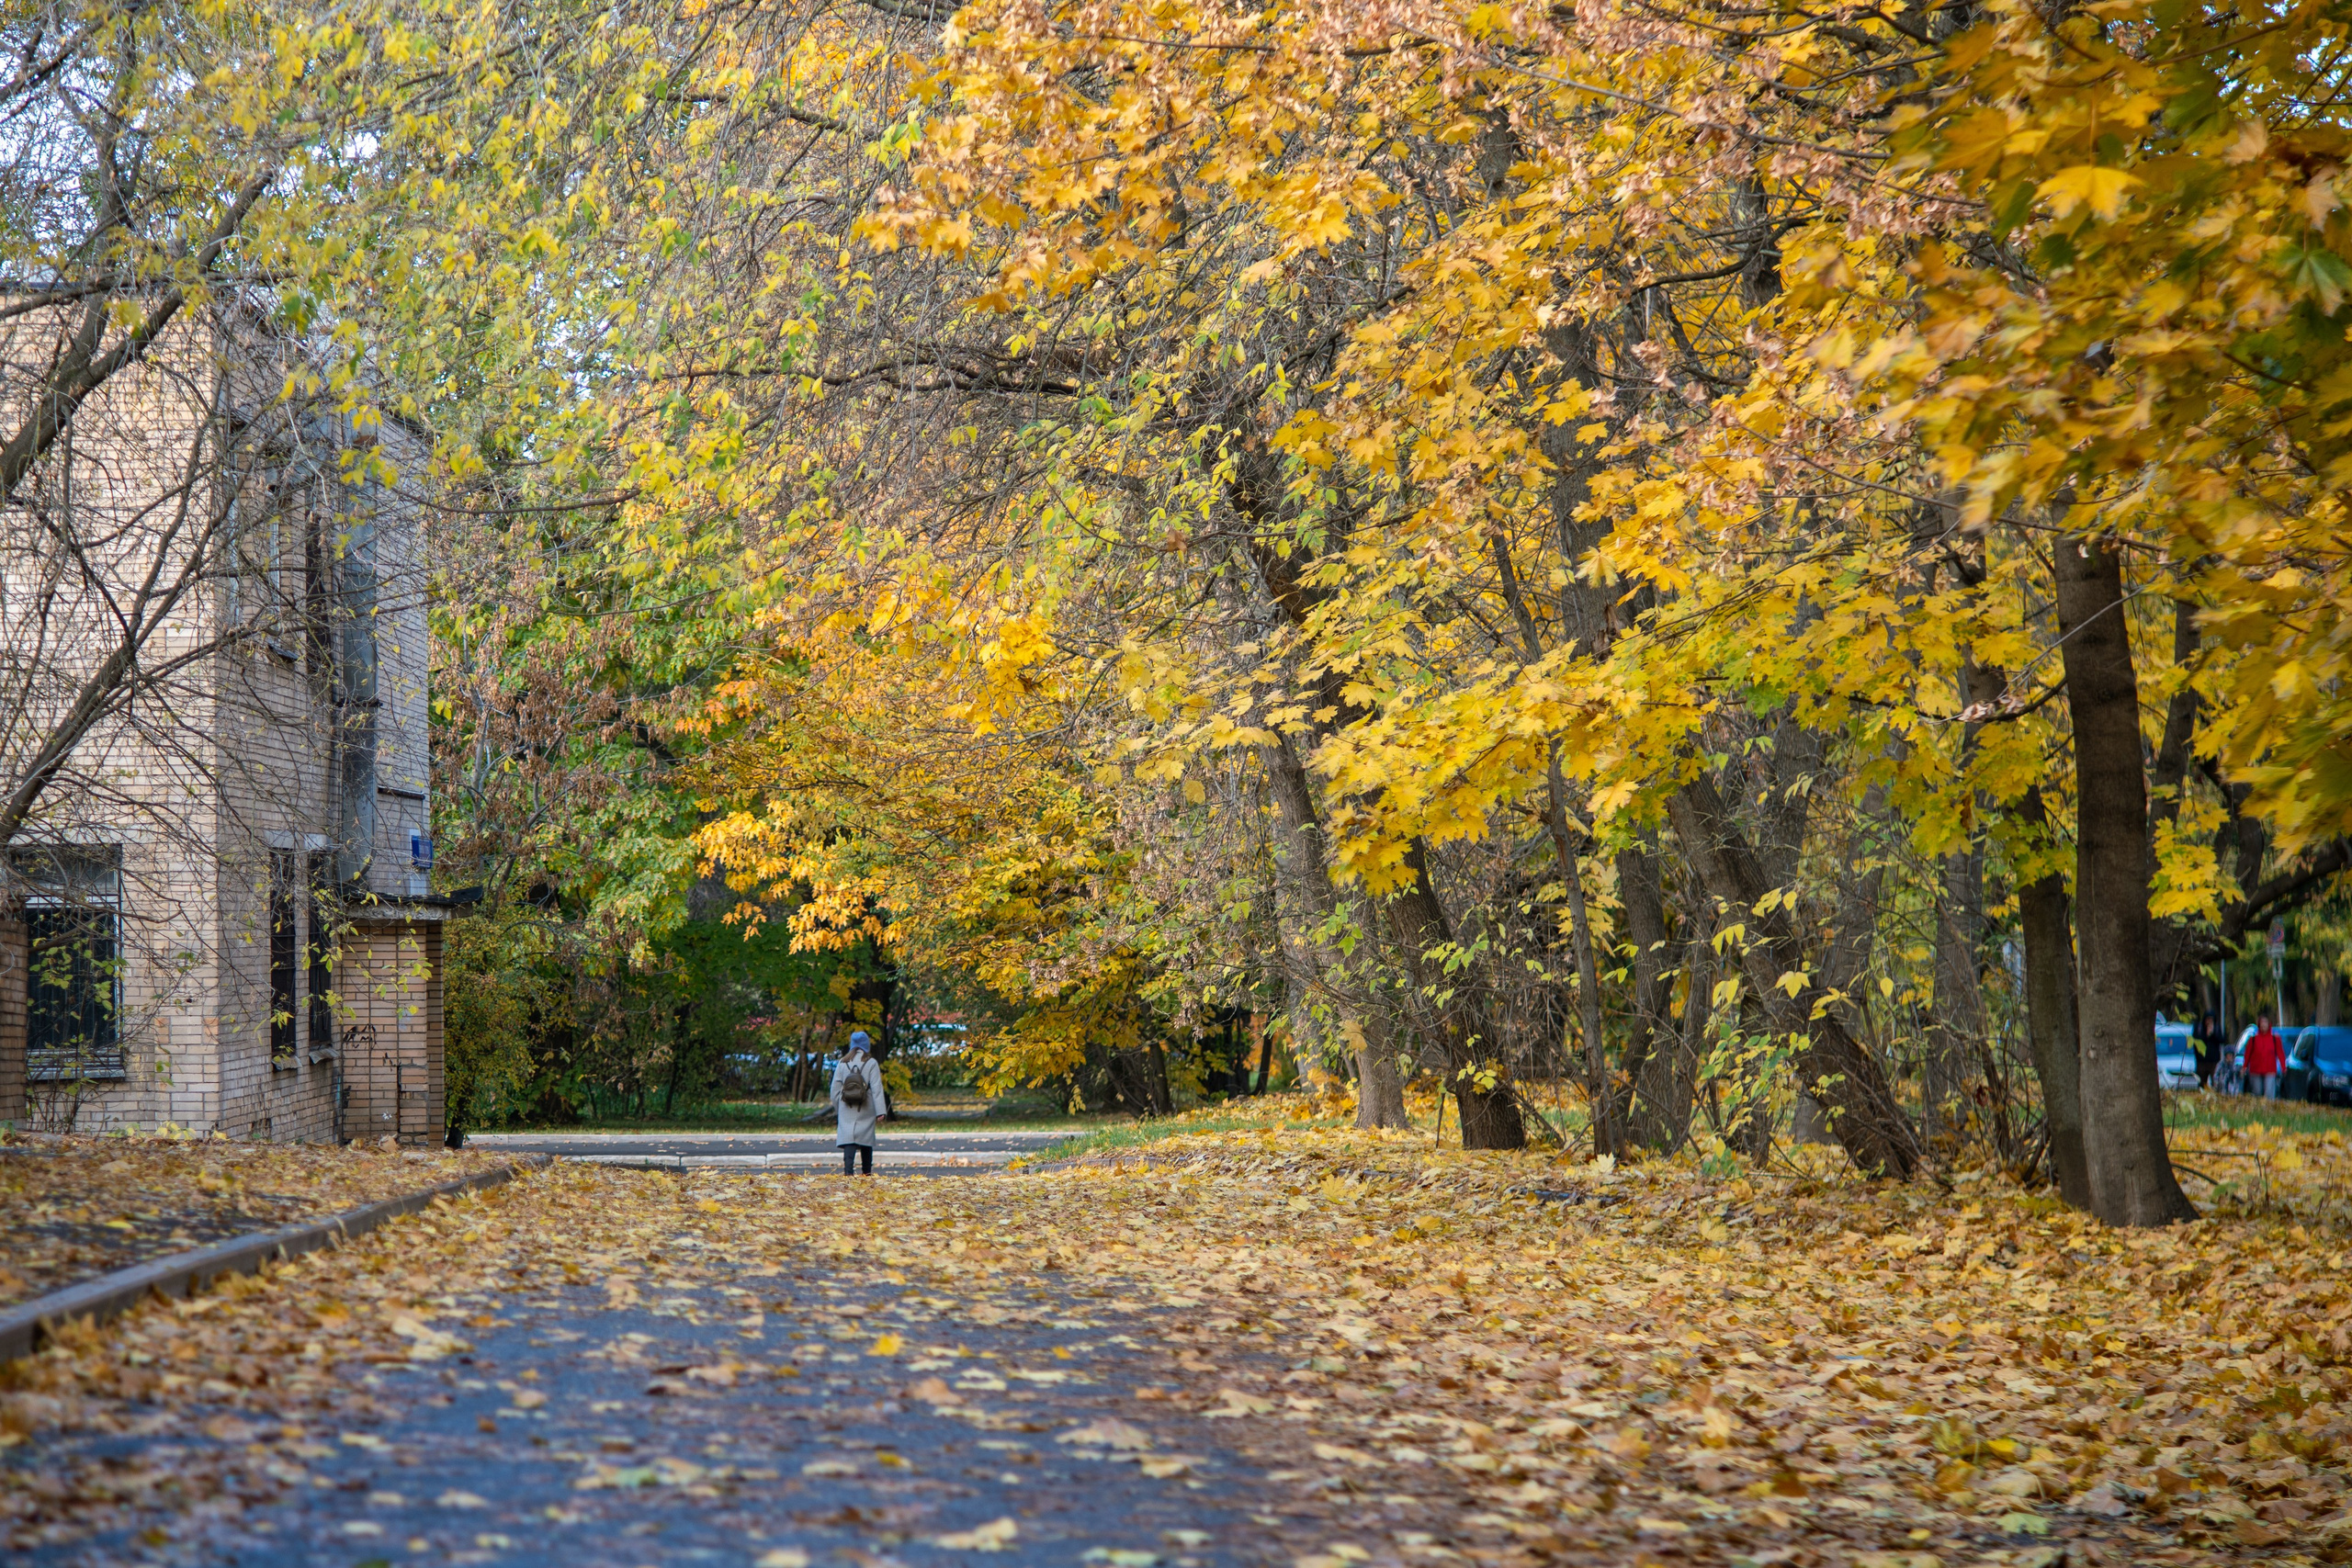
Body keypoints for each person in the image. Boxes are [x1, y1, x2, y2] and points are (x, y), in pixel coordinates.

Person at [831, 1030, 888, 1175]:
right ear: (866, 1045)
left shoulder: (843, 1062)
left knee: (848, 1138)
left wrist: (839, 1108)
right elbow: (876, 1089)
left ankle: (848, 1173)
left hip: (846, 1106)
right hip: (866, 1106)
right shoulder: (871, 1062)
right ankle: (866, 1173)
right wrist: (881, 1111)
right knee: (866, 1139)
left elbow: (834, 1089)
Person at [2245, 1012, 2285, 1100]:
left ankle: (2269, 1110)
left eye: (2265, 1022)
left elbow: (2280, 1053)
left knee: (2269, 1093)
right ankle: (2258, 1109)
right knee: (2257, 1092)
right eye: (2262, 1022)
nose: (2264, 1024)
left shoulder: (2275, 1039)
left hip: (2270, 1069)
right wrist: (2244, 1067)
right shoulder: (2253, 1039)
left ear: (2269, 1024)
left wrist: (2283, 1067)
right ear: (2259, 1024)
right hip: (2255, 1070)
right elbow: (2247, 1054)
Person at [2195, 1011, 2224, 1089]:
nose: (2209, 1022)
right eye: (2208, 1019)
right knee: (2202, 1082)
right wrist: (2206, 1034)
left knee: (2215, 1081)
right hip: (2202, 1061)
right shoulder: (2199, 1029)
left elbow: (2221, 1040)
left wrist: (2213, 1034)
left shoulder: (2217, 1029)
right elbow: (2196, 1041)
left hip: (2214, 1061)